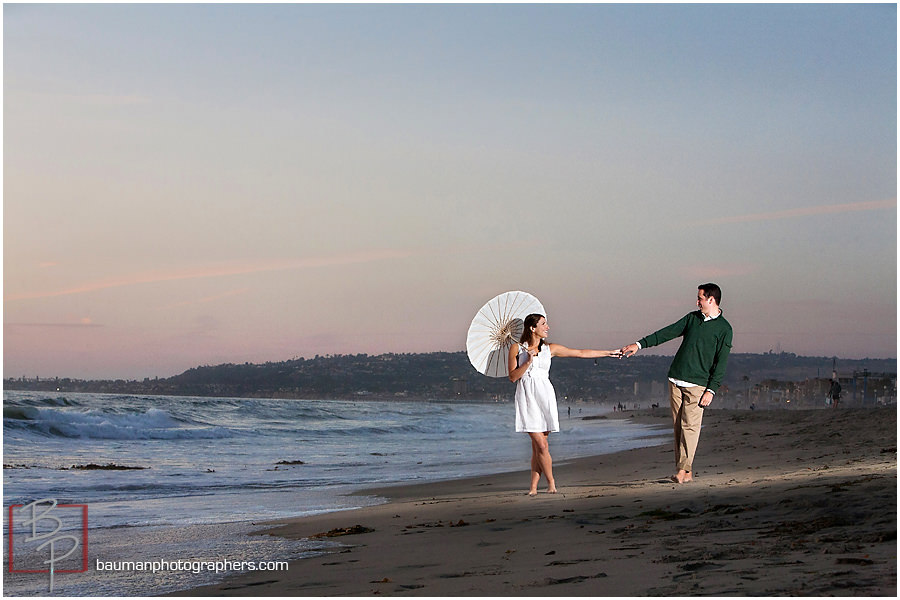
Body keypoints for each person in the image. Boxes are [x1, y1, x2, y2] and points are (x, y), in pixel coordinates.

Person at [620, 283, 733, 484]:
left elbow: (720, 362)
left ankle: (682, 471)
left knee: (691, 427)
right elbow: (668, 332)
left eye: (700, 298)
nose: (697, 302)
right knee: (678, 428)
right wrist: (639, 345)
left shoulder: (724, 329)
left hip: (698, 386)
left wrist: (712, 390)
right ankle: (687, 472)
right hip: (676, 379)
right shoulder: (692, 319)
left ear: (711, 300)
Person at [508, 313, 621, 496]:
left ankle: (533, 488)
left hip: (545, 396)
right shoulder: (516, 349)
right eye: (544, 324)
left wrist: (609, 352)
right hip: (527, 399)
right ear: (532, 328)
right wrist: (528, 361)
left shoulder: (550, 349)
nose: (548, 327)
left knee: (539, 446)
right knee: (541, 445)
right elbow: (513, 377)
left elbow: (580, 353)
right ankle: (551, 483)